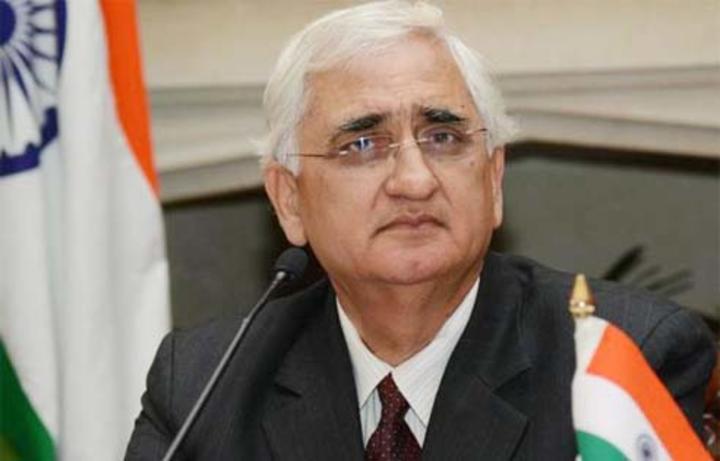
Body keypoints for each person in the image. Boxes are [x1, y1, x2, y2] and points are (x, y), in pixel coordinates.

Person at [125, 2, 716, 460]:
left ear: (493, 180)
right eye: (361, 144)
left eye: (444, 138)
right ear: (289, 200)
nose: (414, 180)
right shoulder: (205, 383)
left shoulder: (619, 358)